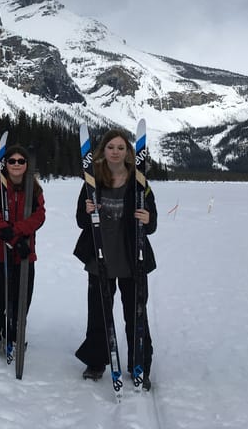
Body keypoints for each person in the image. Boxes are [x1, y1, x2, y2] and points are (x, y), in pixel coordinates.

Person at [73, 128, 157, 388]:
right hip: (100, 256)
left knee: (136, 314)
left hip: (133, 258)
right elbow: (80, 220)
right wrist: (87, 211)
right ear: (103, 151)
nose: (116, 152)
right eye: (111, 147)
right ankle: (96, 361)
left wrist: (148, 218)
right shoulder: (92, 180)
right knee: (98, 313)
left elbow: (151, 222)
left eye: (121, 147)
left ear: (128, 152)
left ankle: (139, 364)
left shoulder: (139, 181)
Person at [0, 144, 46, 356]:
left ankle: (14, 335)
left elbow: (39, 216)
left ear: (26, 165)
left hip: (24, 253)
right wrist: (6, 232)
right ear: (5, 164)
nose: (16, 165)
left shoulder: (34, 188)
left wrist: (16, 233)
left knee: (21, 296)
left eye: (20, 161)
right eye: (11, 161)